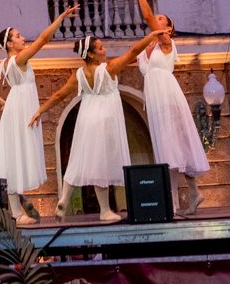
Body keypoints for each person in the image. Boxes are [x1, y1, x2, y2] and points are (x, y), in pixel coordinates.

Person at [0, 9, 76, 222]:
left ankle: (17, 210)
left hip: (16, 106)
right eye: (18, 36)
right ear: (10, 44)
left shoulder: (4, 64)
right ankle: (17, 213)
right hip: (21, 108)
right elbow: (44, 38)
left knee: (14, 156)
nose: (23, 38)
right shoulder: (18, 59)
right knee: (15, 156)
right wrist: (60, 18)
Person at [35, 31, 151, 219]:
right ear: (90, 54)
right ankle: (104, 210)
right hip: (106, 116)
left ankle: (64, 198)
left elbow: (59, 95)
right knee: (102, 162)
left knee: (79, 157)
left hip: (87, 116)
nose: (104, 49)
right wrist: (152, 35)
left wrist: (39, 111)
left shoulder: (79, 74)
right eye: (100, 47)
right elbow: (134, 50)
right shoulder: (109, 68)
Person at [130, 0, 212, 215]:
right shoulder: (149, 45)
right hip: (154, 95)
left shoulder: (167, 43)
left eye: (160, 19)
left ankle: (177, 201)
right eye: (157, 18)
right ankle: (188, 196)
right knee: (167, 147)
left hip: (166, 92)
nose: (156, 20)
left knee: (174, 142)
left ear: (168, 28)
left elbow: (146, 15)